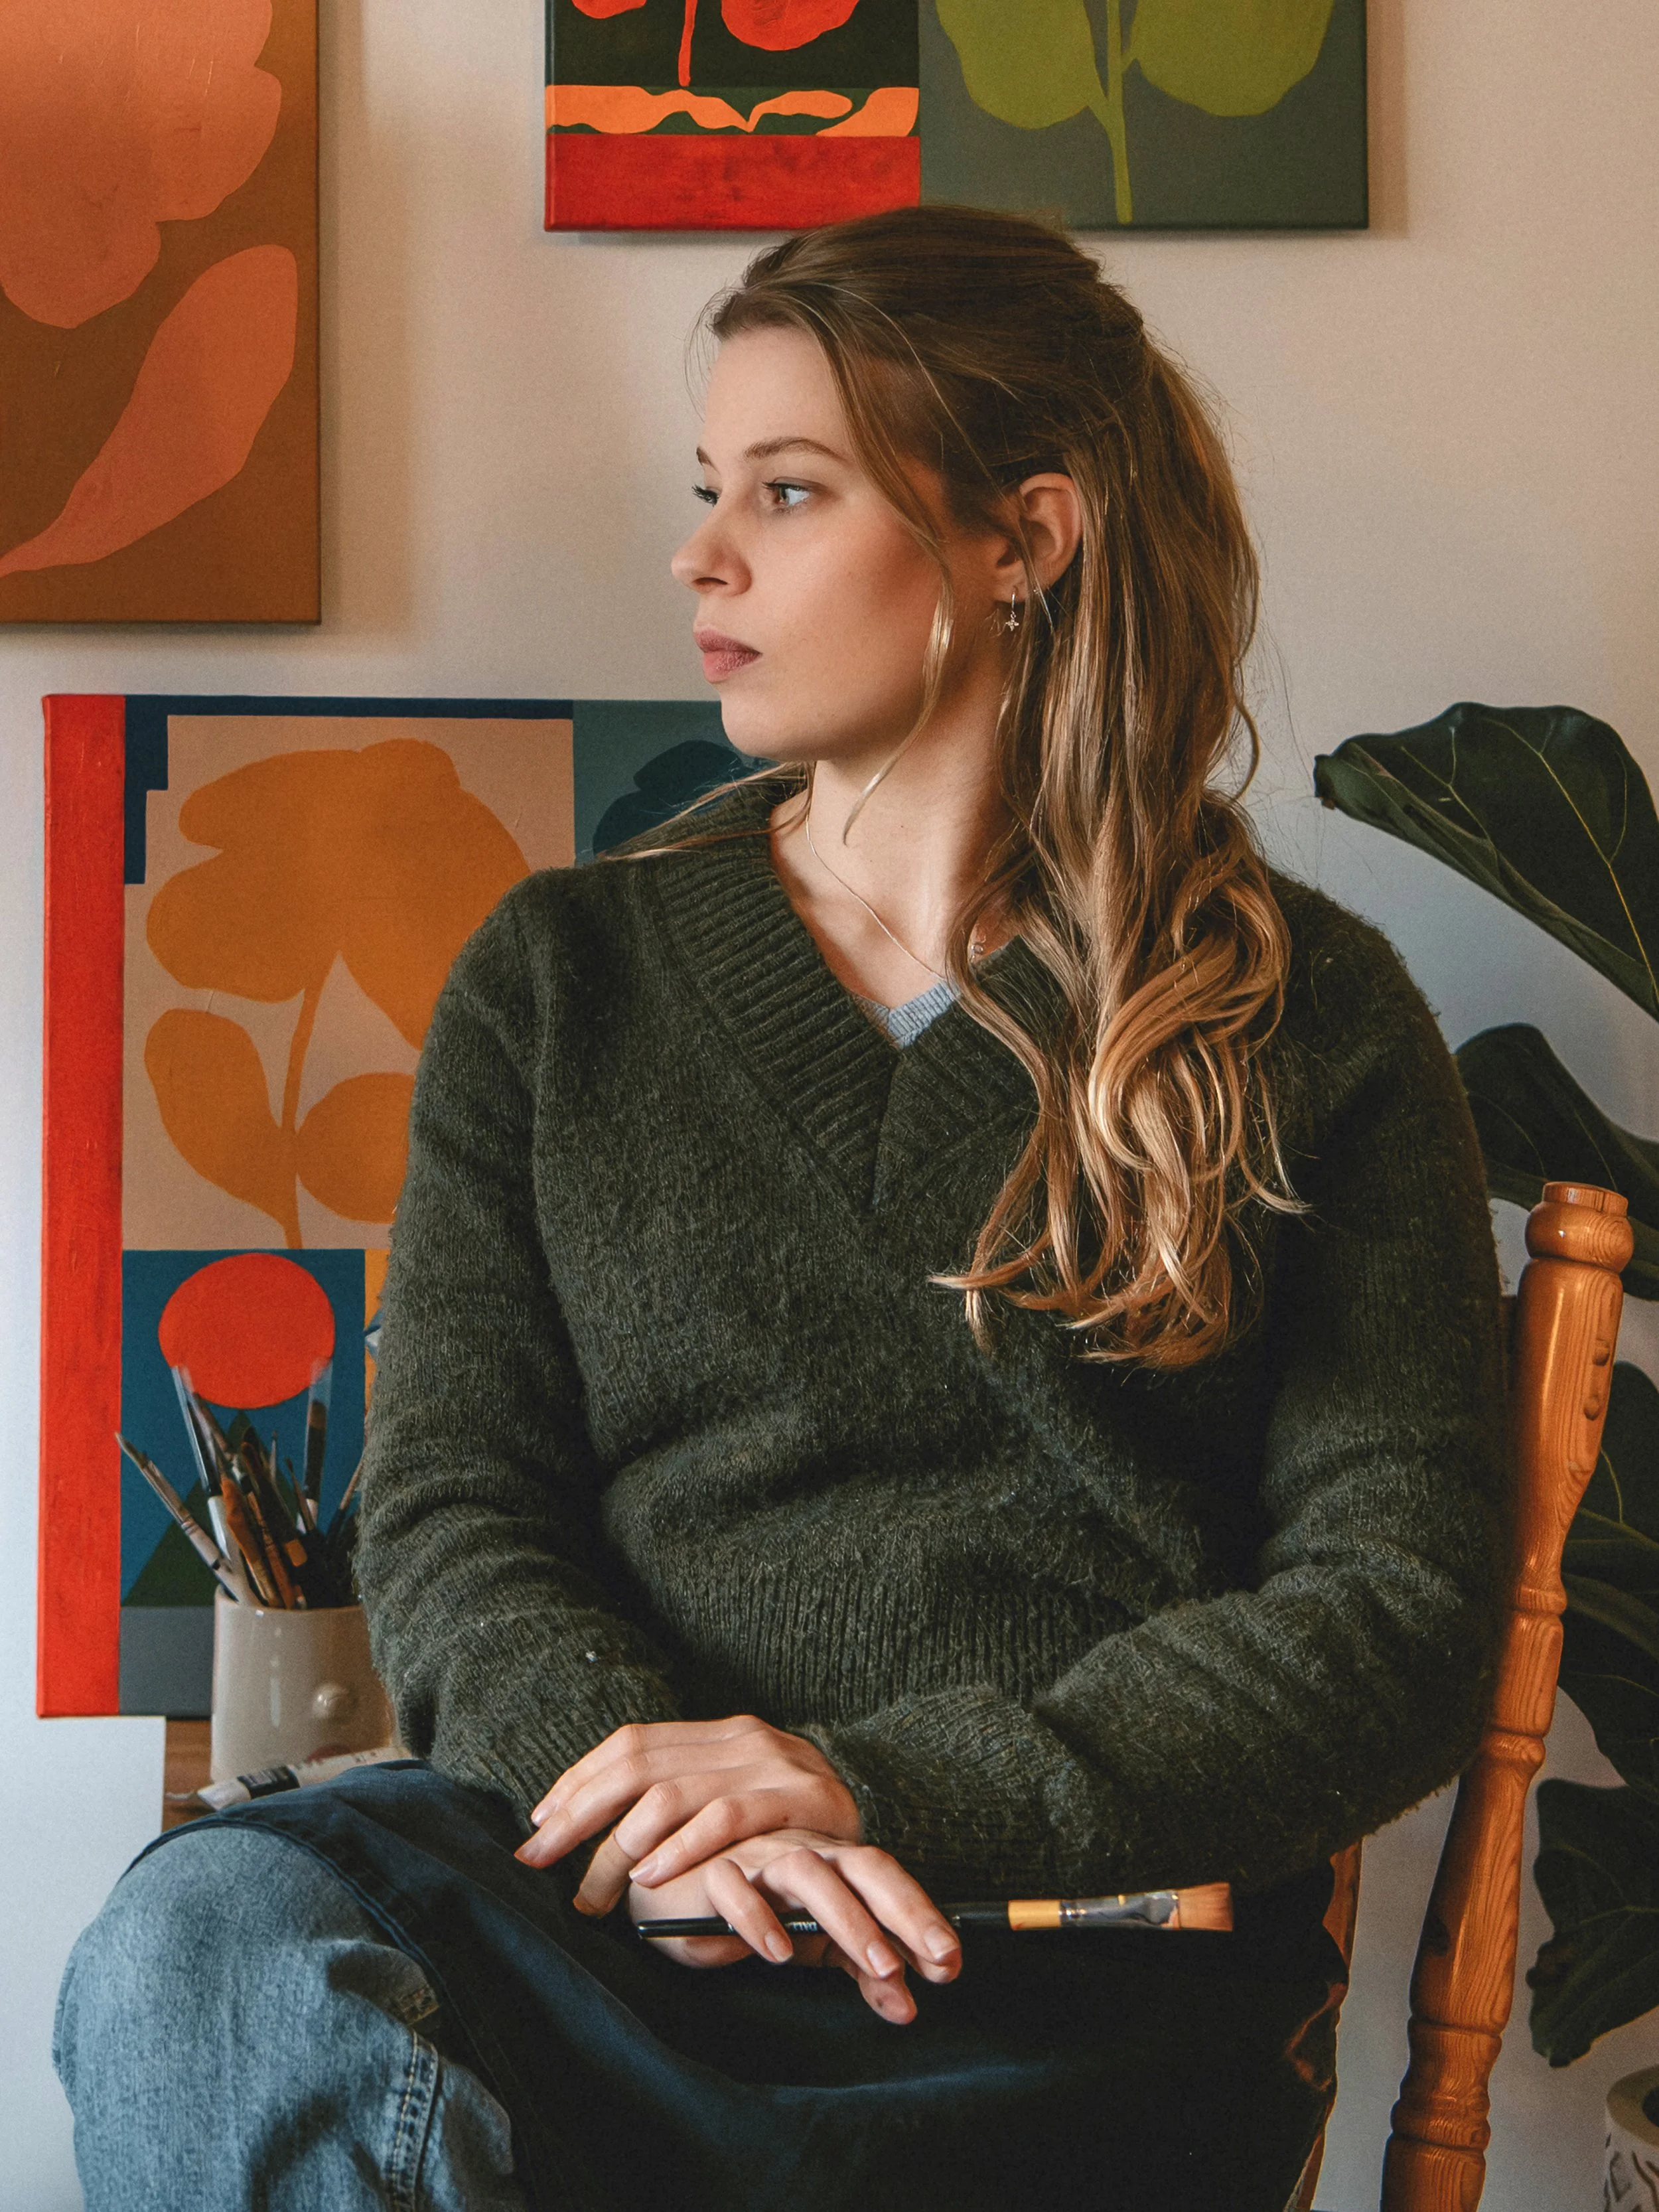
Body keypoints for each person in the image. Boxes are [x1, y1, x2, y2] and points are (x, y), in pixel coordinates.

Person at [55, 206, 1508, 2211]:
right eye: (707, 489)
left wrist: (866, 1782)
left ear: (1024, 539)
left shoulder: (1297, 1013)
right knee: (202, 1954)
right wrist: (681, 1814)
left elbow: (1392, 1612)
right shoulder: (560, 978)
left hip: (1048, 1981)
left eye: (791, 491)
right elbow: (457, 1514)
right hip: (597, 1922)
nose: (700, 556)